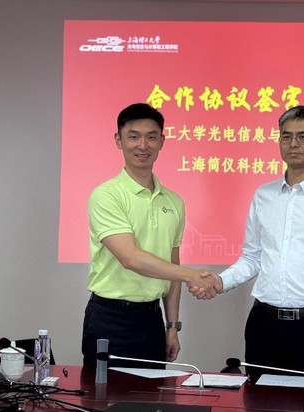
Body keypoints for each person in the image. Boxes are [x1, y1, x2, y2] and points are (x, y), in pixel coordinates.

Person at [190, 105, 304, 378]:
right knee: (259, 399)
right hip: (264, 325)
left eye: (303, 136)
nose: (293, 143)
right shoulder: (263, 196)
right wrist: (220, 282)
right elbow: (252, 258)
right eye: (286, 136)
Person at [82, 103, 217, 368]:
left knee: (154, 393)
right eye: (133, 136)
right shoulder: (106, 195)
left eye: (151, 137)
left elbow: (172, 265)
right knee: (104, 392)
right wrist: (191, 275)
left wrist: (172, 325)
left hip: (152, 319)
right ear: (119, 140)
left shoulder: (174, 202)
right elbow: (130, 258)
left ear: (162, 141)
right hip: (110, 318)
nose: (143, 145)